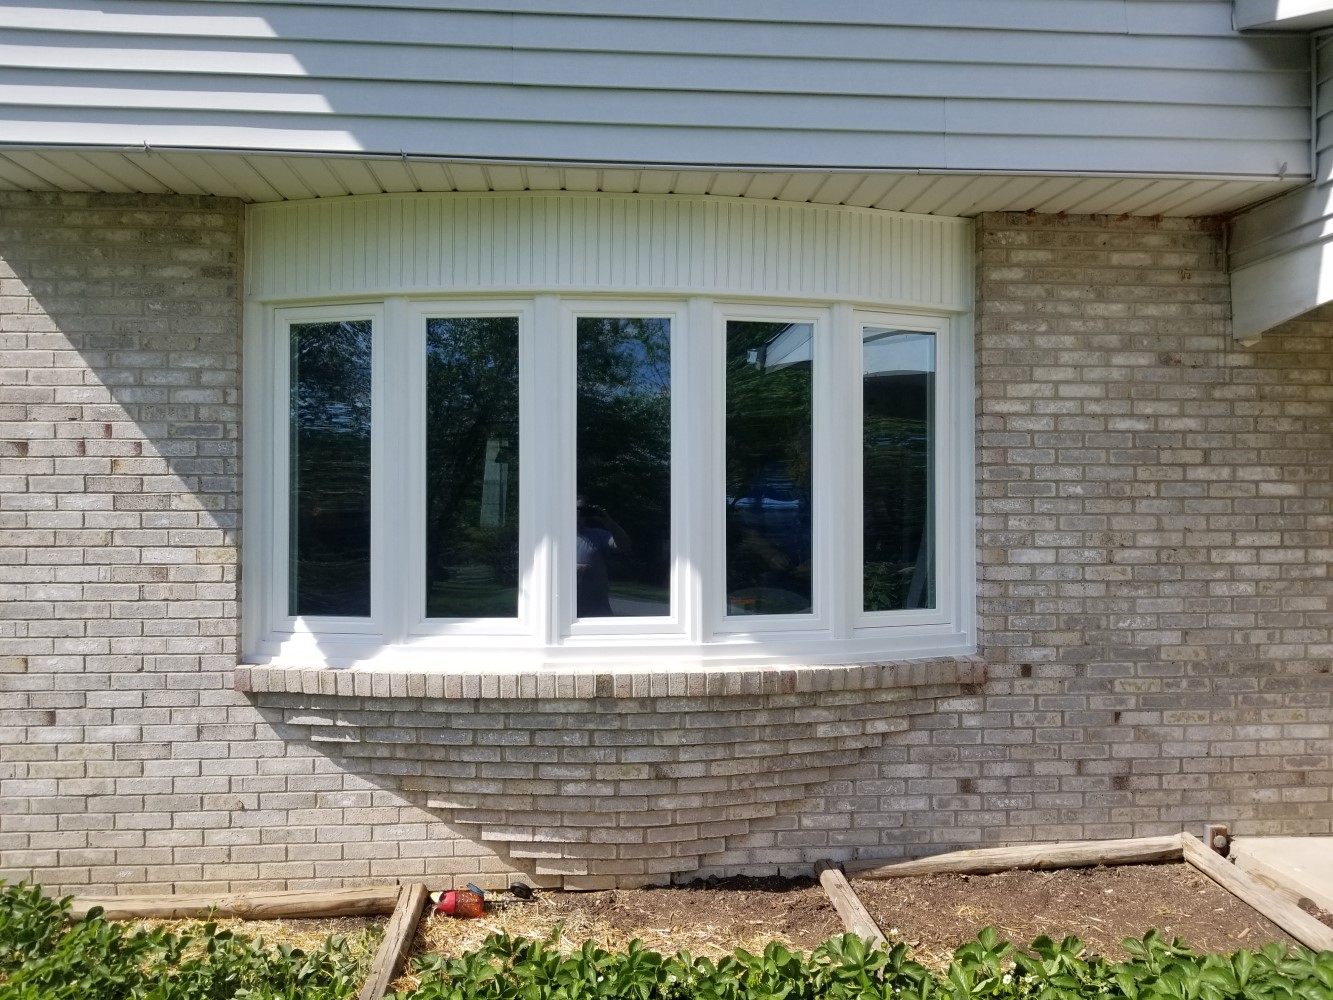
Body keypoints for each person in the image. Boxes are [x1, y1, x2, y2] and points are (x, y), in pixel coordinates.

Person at [576, 496, 630, 617]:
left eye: (583, 509)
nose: (580, 513)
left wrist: (609, 523)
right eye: (577, 509)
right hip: (565, 614)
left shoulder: (598, 535)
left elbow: (624, 546)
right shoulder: (556, 538)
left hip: (598, 613)